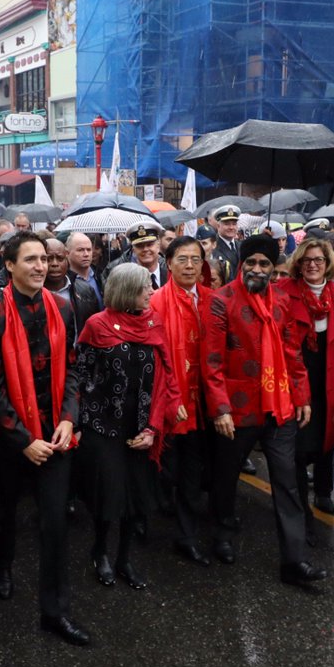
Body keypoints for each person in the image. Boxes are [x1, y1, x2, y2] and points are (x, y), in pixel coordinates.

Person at [0, 231, 88, 646]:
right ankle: (0, 567)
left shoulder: (63, 306)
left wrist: (70, 420)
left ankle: (55, 612)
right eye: (32, 259)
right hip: (9, 442)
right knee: (3, 517)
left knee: (55, 526)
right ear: (10, 266)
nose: (42, 266)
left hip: (56, 437)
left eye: (44, 259)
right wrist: (22, 440)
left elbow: (74, 368)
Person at [202, 235, 322, 586]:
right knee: (227, 476)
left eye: (264, 264)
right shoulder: (221, 301)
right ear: (241, 264)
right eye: (251, 262)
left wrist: (302, 397)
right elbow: (211, 361)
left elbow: (293, 354)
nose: (257, 269)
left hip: (279, 406)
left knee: (287, 483)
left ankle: (295, 561)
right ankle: (222, 535)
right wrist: (220, 408)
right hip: (236, 410)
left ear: (273, 269)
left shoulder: (283, 301)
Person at [76, 264, 182, 591]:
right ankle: (100, 551)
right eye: (144, 288)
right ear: (126, 290)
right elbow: (81, 375)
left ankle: (124, 558)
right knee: (110, 497)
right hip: (105, 427)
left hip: (142, 427)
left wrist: (152, 427)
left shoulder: (153, 322)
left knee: (135, 498)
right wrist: (84, 419)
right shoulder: (98, 325)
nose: (151, 292)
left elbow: (166, 374)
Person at [281, 238, 334, 528]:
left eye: (318, 260)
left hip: (331, 385)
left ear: (328, 264)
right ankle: (301, 507)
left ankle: (324, 491)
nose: (312, 265)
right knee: (300, 447)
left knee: (329, 440)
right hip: (295, 384)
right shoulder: (283, 293)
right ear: (298, 264)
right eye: (306, 260)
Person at [149, 236, 214, 566]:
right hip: (167, 400)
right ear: (169, 263)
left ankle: (186, 536)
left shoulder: (213, 300)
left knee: (192, 470)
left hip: (204, 400)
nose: (190, 266)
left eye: (195, 260)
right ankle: (145, 520)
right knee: (163, 468)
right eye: (182, 259)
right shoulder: (156, 303)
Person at [45, 237, 100, 339]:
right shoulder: (32, 292)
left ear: (67, 259)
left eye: (60, 258)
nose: (55, 264)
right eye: (49, 259)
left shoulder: (85, 290)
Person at [66, 232, 103, 305]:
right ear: (67, 253)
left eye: (89, 250)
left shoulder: (101, 275)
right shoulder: (65, 282)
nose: (86, 254)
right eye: (80, 250)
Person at [211, 206, 242, 285]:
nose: (231, 227)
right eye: (227, 224)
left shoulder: (241, 246)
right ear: (218, 226)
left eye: (234, 224)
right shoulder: (213, 247)